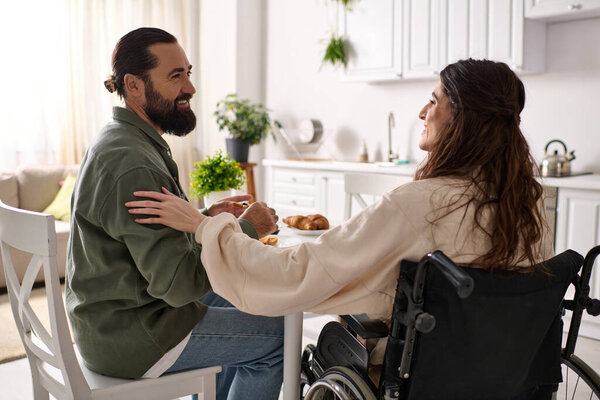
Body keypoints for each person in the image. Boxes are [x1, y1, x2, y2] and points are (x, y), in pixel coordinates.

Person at [125, 59, 553, 366]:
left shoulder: (419, 204)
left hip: (423, 366)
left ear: (462, 117)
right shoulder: (529, 202)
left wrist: (209, 227)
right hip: (504, 366)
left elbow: (302, 271)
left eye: (434, 100)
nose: (423, 112)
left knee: (322, 340)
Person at [66, 27, 284, 400]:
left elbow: (142, 238)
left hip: (109, 321)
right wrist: (247, 228)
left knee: (240, 294)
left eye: (188, 72)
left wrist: (205, 216)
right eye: (175, 76)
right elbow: (179, 285)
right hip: (135, 336)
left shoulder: (121, 138)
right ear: (133, 85)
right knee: (279, 337)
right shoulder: (135, 162)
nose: (190, 88)